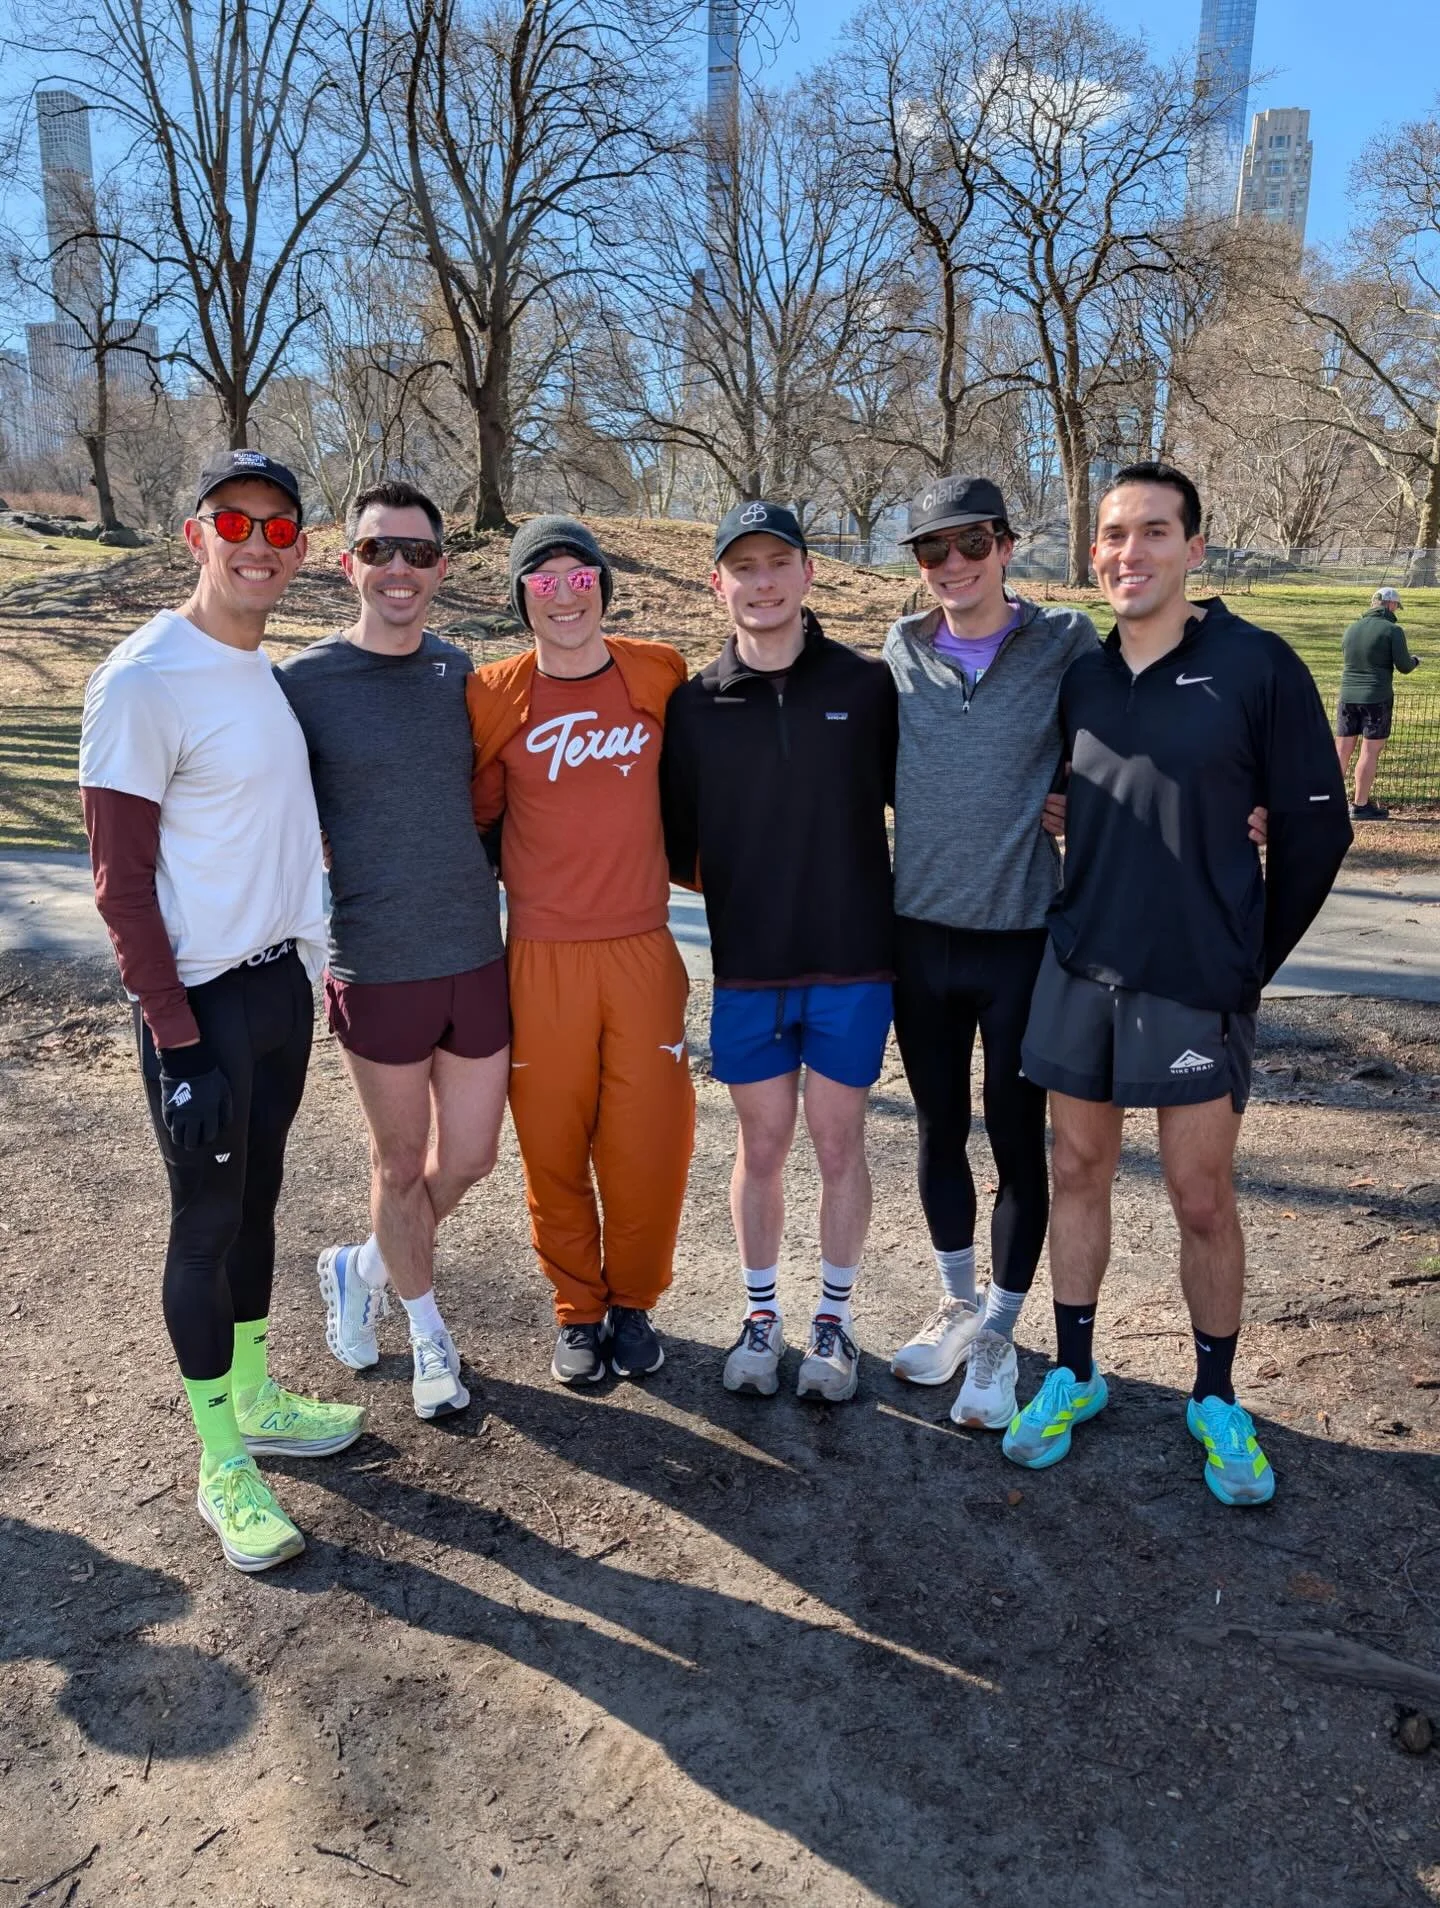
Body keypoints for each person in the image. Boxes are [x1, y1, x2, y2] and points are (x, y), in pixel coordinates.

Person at [1008, 461, 1352, 1505]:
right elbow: (1076, 792)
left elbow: (1317, 830)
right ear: (1094, 553)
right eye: (1115, 534)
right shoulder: (1083, 675)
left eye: (1156, 531)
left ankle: (1214, 1396)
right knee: (1076, 1172)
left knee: (1201, 1198)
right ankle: (1074, 1372)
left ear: (1195, 548)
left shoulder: (1257, 664)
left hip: (1199, 979)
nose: (1132, 552)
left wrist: (1250, 960)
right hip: (1082, 963)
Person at [78, 450, 365, 1575]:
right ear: (195, 534)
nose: (257, 544)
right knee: (203, 1225)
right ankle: (220, 1463)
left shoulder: (263, 673)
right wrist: (177, 1039)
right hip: (197, 1004)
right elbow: (119, 885)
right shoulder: (143, 679)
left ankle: (252, 1396)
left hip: (275, 985)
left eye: (280, 528)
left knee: (258, 1204)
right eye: (234, 523)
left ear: (300, 549)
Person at [275, 481, 508, 1421]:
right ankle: (428, 1335)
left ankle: (362, 1265)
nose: (398, 568)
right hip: (375, 965)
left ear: (442, 568)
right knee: (400, 1165)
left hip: (475, 954)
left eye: (417, 552)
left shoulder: (462, 674)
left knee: (473, 1157)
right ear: (348, 565)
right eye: (379, 550)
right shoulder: (302, 684)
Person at [661, 501, 897, 1404]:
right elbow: (676, 845)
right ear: (717, 583)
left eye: (777, 564)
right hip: (750, 970)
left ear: (807, 573)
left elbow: (924, 797)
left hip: (853, 963)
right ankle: (761, 1317)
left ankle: (833, 1321)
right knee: (760, 1146)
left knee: (839, 1143)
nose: (762, 583)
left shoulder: (867, 686)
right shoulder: (695, 706)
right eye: (743, 567)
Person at [883, 476, 1099, 1430]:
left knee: (1016, 1140)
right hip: (919, 939)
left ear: (1007, 546)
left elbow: (1128, 734)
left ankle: (1003, 1335)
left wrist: (1081, 792)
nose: (954, 564)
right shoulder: (899, 651)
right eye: (933, 549)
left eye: (972, 543)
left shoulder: (1065, 642)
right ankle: (959, 1305)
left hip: (1021, 941)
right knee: (938, 1131)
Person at [467, 516, 694, 1386]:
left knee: (648, 1143)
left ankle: (633, 1303)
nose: (565, 595)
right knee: (552, 1143)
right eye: (543, 580)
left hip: (642, 949)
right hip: (540, 956)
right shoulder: (493, 694)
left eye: (580, 577)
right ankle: (578, 1309)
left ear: (604, 585)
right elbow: (474, 814)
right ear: (519, 597)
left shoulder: (658, 671)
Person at [1336, 586, 1421, 821]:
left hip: (1347, 696)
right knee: (1369, 751)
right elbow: (1404, 666)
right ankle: (1360, 805)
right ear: (1391, 605)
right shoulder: (1392, 630)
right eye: (1396, 607)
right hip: (1376, 697)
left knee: (1341, 751)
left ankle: (1326, 802)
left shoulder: (1352, 628)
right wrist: (1415, 661)